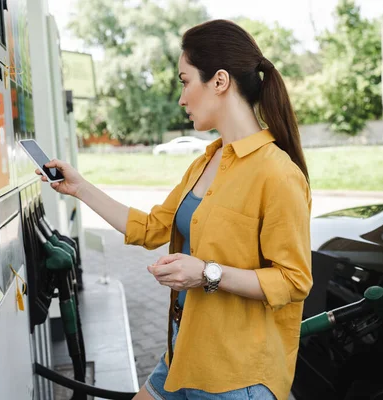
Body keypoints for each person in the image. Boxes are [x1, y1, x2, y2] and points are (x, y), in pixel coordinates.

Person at [38, 19, 312, 400]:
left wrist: (206, 273)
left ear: (219, 81)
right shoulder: (206, 162)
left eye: (185, 81)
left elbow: (294, 281)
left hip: (237, 376)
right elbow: (151, 227)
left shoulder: (278, 174)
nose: (181, 98)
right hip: (184, 351)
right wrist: (79, 188)